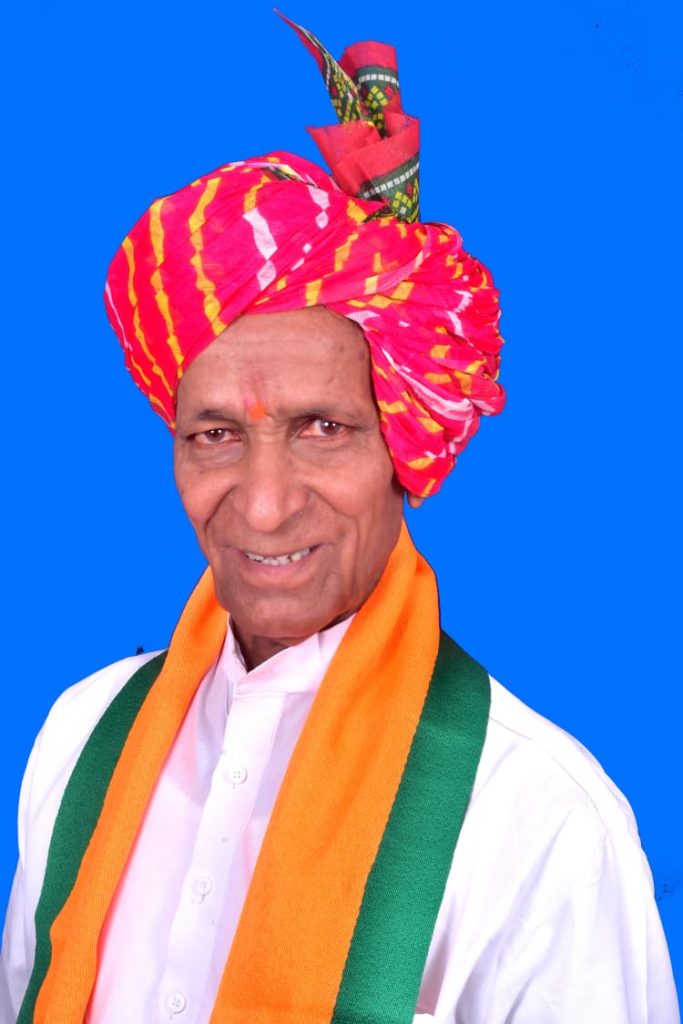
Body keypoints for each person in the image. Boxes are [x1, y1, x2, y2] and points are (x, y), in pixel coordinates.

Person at [1, 16, 678, 1024]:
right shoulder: (79, 741)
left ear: (400, 446)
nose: (263, 503)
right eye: (215, 435)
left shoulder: (535, 820)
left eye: (321, 428)